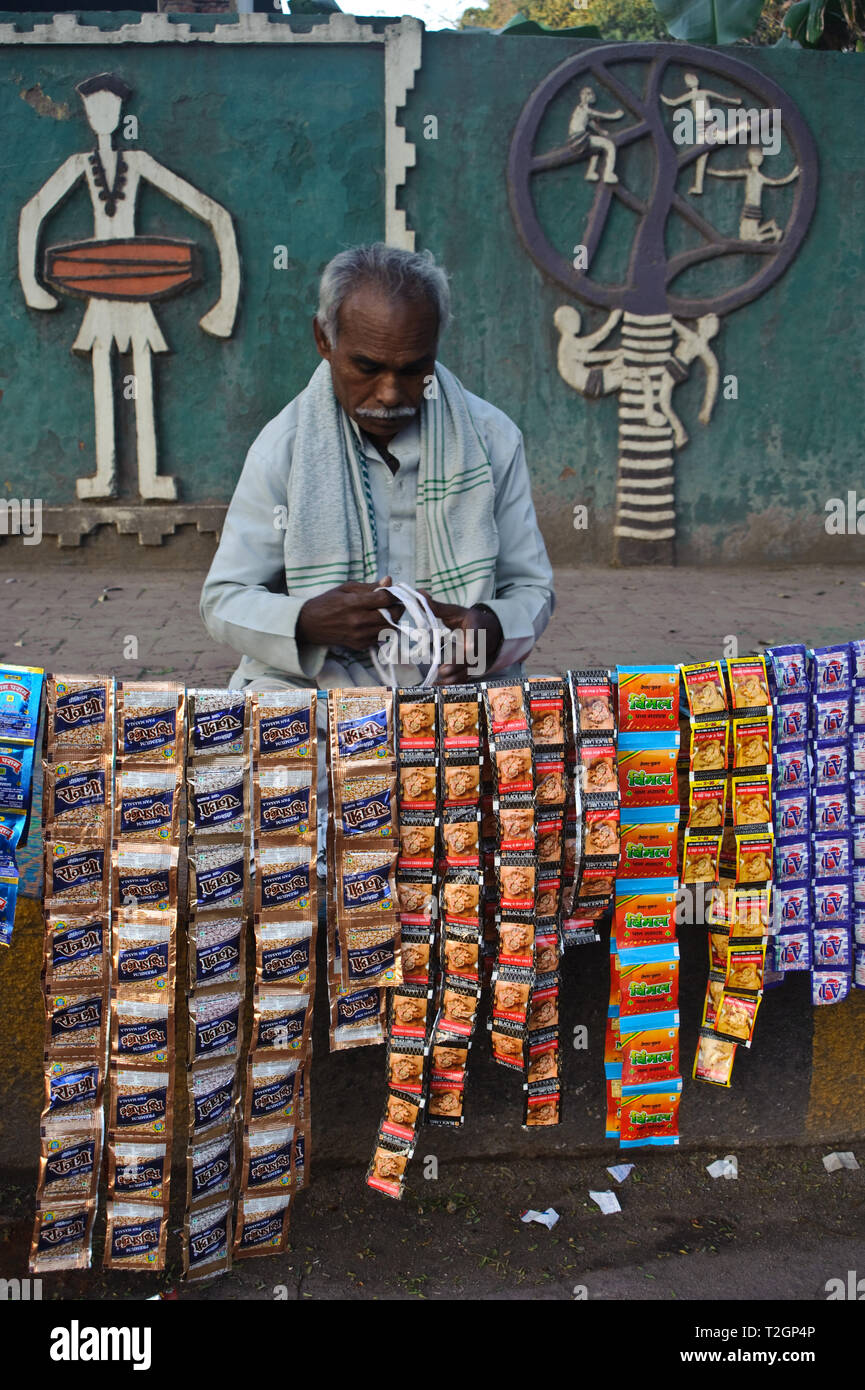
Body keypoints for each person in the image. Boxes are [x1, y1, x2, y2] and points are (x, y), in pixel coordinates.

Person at [200, 242, 554, 693]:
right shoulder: (283, 449)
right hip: (317, 687)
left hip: (452, 685)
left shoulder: (491, 441)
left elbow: (532, 589)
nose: (389, 393)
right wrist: (306, 621)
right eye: (367, 367)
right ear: (324, 341)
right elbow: (224, 600)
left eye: (412, 369)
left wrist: (489, 627)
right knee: (278, 747)